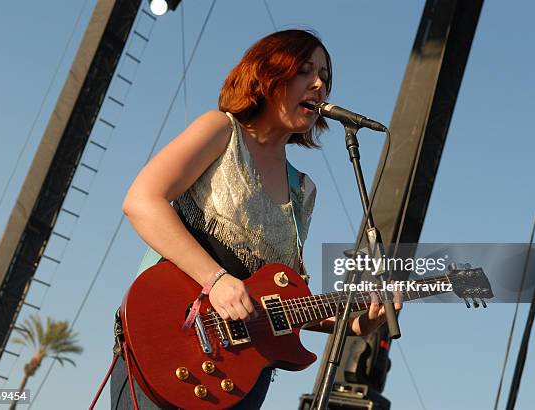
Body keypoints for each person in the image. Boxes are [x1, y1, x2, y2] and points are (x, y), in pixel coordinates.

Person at [110, 29, 397, 410]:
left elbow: (280, 303)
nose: (319, 85)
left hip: (242, 380)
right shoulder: (220, 130)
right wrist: (216, 280)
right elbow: (142, 201)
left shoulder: (303, 191)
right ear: (267, 75)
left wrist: (357, 323)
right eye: (305, 71)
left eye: (325, 78)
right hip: (172, 345)